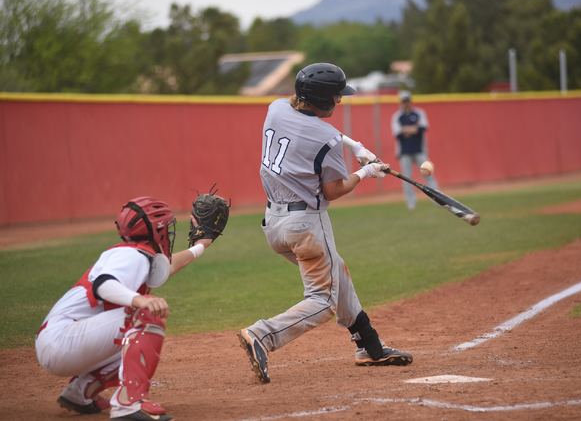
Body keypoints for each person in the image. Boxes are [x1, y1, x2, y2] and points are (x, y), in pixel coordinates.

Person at [237, 62, 413, 384]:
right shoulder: (327, 139)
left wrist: (355, 146)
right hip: (306, 226)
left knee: (338, 273)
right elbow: (334, 189)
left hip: (274, 223)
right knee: (322, 302)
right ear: (322, 99)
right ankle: (262, 334)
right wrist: (366, 172)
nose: (339, 101)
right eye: (336, 96)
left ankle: (369, 346)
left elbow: (309, 126)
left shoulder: (275, 108)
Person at [35, 196, 214, 421]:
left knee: (134, 341)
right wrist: (140, 301)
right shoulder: (131, 255)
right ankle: (128, 404)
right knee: (147, 315)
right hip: (62, 340)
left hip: (61, 340)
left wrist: (200, 246)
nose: (168, 231)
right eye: (165, 227)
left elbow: (166, 267)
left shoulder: (136, 254)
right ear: (155, 230)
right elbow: (104, 284)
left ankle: (80, 392)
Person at [391, 90, 440, 210]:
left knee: (428, 174)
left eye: (407, 100)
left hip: (419, 149)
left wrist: (407, 129)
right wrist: (413, 129)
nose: (406, 103)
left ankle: (437, 200)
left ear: (410, 101)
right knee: (407, 178)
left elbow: (422, 128)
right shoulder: (397, 116)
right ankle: (411, 203)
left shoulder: (419, 113)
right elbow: (398, 133)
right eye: (403, 101)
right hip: (405, 151)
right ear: (401, 102)